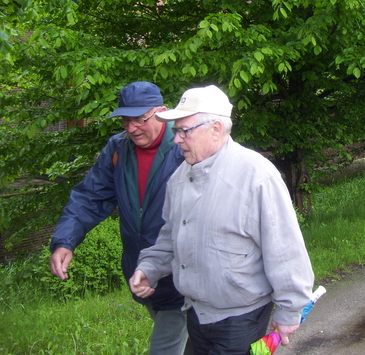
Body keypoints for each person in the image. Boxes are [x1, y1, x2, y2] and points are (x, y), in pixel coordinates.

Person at [128, 84, 315, 355]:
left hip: (241, 319)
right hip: (195, 313)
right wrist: (149, 268)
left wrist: (290, 310)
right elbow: (169, 236)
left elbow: (285, 250)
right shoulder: (180, 178)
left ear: (215, 128)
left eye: (184, 131)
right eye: (176, 131)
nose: (177, 139)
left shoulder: (256, 175)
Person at [50, 81, 192, 355]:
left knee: (166, 347)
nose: (131, 128)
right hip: (141, 272)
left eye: (139, 119)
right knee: (195, 345)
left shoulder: (184, 147)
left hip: (181, 274)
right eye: (126, 120)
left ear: (161, 112)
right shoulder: (118, 149)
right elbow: (90, 197)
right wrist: (64, 241)